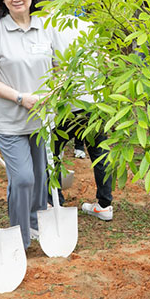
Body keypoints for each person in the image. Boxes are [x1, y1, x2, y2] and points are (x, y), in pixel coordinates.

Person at [0, 0, 60, 248]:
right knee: (22, 179)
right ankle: (19, 237)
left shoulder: (47, 27)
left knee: (40, 178)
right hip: (10, 120)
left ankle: (34, 223)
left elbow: (60, 68)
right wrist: (20, 98)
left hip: (41, 119)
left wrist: (52, 92)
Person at [53, 16, 114, 221]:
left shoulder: (47, 26)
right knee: (100, 154)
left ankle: (55, 203)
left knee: (53, 154)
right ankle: (104, 205)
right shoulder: (88, 25)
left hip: (65, 106)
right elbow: (106, 62)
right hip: (94, 104)